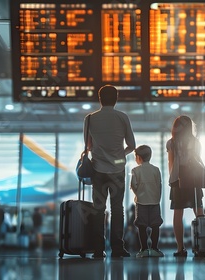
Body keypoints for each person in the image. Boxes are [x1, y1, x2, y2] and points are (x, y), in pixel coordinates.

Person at [85, 85, 136, 258]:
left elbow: (88, 145)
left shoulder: (90, 118)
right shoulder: (122, 117)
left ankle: (98, 249)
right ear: (116, 99)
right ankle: (117, 248)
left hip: (98, 169)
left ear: (100, 99)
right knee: (117, 209)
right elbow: (132, 145)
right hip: (117, 170)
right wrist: (120, 155)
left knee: (98, 210)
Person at [166, 115, 204, 257]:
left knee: (178, 213)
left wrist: (173, 178)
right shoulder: (195, 142)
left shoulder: (172, 143)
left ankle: (180, 248)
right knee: (199, 211)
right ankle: (203, 245)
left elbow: (171, 163)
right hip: (194, 179)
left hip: (178, 180)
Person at [130, 145, 164, 258]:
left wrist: (138, 193)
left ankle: (144, 249)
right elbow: (159, 185)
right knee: (155, 225)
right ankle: (154, 249)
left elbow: (133, 185)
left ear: (138, 157)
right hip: (154, 201)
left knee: (142, 226)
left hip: (141, 202)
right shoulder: (156, 170)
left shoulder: (135, 170)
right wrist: (157, 197)